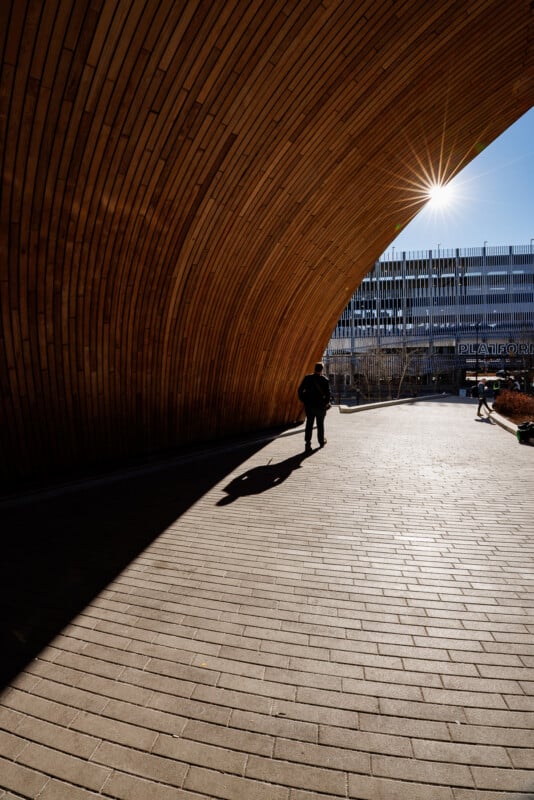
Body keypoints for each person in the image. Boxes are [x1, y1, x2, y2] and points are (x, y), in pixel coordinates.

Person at [298, 362, 332, 450]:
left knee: (309, 425)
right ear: (322, 370)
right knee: (320, 425)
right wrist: (325, 403)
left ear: (315, 368)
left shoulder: (307, 378)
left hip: (309, 406)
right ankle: (321, 442)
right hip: (321, 407)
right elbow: (328, 395)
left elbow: (300, 390)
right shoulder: (325, 380)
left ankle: (307, 443)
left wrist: (304, 401)